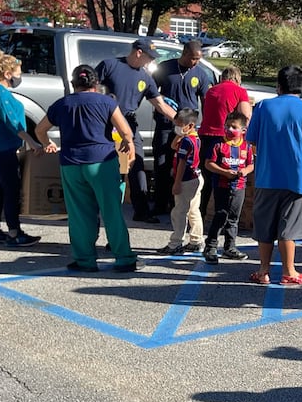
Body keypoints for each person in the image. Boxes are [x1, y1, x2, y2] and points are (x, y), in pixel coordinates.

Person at [36, 65, 138, 273]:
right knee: (111, 211)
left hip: (71, 164)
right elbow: (125, 131)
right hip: (102, 162)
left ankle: (85, 260)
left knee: (79, 214)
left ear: (74, 84)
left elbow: (40, 129)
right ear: (96, 83)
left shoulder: (62, 104)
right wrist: (129, 145)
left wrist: (47, 143)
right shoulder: (107, 102)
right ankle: (124, 258)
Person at [245, 65, 302, 286]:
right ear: (301, 87)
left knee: (265, 226)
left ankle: (263, 270)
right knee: (288, 228)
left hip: (267, 176)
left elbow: (251, 141)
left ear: (278, 86)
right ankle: (289, 271)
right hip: (297, 178)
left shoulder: (263, 107)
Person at [95, 38, 177, 224]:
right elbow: (92, 90)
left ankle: (141, 210)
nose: (151, 62)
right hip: (105, 124)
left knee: (136, 162)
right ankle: (98, 207)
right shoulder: (110, 65)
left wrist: (179, 121)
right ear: (139, 52)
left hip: (129, 124)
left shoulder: (145, 77)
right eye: (149, 57)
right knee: (106, 166)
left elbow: (160, 104)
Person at [0, 48, 43, 247]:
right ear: (7, 74)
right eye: (18, 73)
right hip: (1, 149)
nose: (19, 77)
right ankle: (15, 232)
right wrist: (31, 141)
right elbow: (11, 120)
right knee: (12, 189)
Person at [152, 40, 215, 215]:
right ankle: (159, 204)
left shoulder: (201, 75)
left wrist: (204, 124)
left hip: (188, 128)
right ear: (185, 53)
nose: (196, 62)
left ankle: (177, 204)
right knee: (162, 162)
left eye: (198, 59)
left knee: (182, 164)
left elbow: (204, 100)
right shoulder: (165, 68)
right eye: (193, 58)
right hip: (166, 124)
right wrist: (162, 99)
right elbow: (151, 91)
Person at [198, 65, 252, 224]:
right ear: (237, 78)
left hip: (206, 136)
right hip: (224, 139)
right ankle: (223, 219)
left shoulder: (211, 91)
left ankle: (199, 217)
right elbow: (245, 116)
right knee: (225, 180)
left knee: (206, 180)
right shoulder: (239, 91)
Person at [202, 111, 255, 265]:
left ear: (243, 131)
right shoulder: (218, 144)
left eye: (234, 127)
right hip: (221, 185)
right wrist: (224, 172)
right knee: (220, 215)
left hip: (239, 187)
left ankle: (230, 247)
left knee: (233, 218)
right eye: (227, 126)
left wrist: (244, 171)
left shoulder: (246, 146)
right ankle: (210, 246)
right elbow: (208, 164)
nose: (229, 129)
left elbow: (250, 164)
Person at [157, 108, 206, 256]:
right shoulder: (194, 138)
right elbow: (173, 146)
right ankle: (196, 241)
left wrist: (177, 183)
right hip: (196, 177)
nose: (176, 127)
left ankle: (176, 243)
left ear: (190, 125)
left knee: (179, 212)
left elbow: (182, 163)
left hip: (185, 179)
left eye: (179, 124)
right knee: (193, 211)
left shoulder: (186, 141)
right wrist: (179, 135)